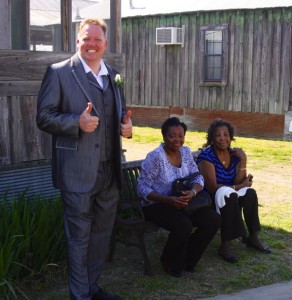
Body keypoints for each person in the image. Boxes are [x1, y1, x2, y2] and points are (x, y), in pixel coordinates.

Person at [36, 18, 132, 300]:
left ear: (105, 44)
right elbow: (44, 117)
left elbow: (120, 113)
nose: (91, 44)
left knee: (101, 236)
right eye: (86, 39)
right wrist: (75, 122)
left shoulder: (113, 75)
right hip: (77, 172)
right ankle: (80, 296)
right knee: (78, 238)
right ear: (77, 41)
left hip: (109, 171)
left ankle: (92, 287)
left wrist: (126, 128)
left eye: (97, 40)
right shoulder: (59, 73)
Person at [137, 117, 221, 277]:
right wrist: (168, 200)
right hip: (156, 204)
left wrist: (193, 192)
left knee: (213, 220)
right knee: (183, 224)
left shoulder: (186, 152)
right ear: (164, 136)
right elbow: (142, 188)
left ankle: (187, 259)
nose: (177, 139)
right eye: (172, 135)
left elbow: (197, 177)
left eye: (181, 135)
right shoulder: (155, 157)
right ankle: (169, 261)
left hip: (183, 201)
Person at [196, 119, 271, 264]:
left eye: (226, 134)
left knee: (250, 193)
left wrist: (243, 161)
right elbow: (212, 187)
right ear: (212, 138)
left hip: (230, 191)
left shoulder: (234, 155)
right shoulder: (207, 156)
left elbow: (239, 181)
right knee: (229, 195)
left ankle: (253, 238)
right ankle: (225, 245)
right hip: (212, 195)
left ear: (231, 137)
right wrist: (238, 187)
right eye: (218, 135)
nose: (222, 138)